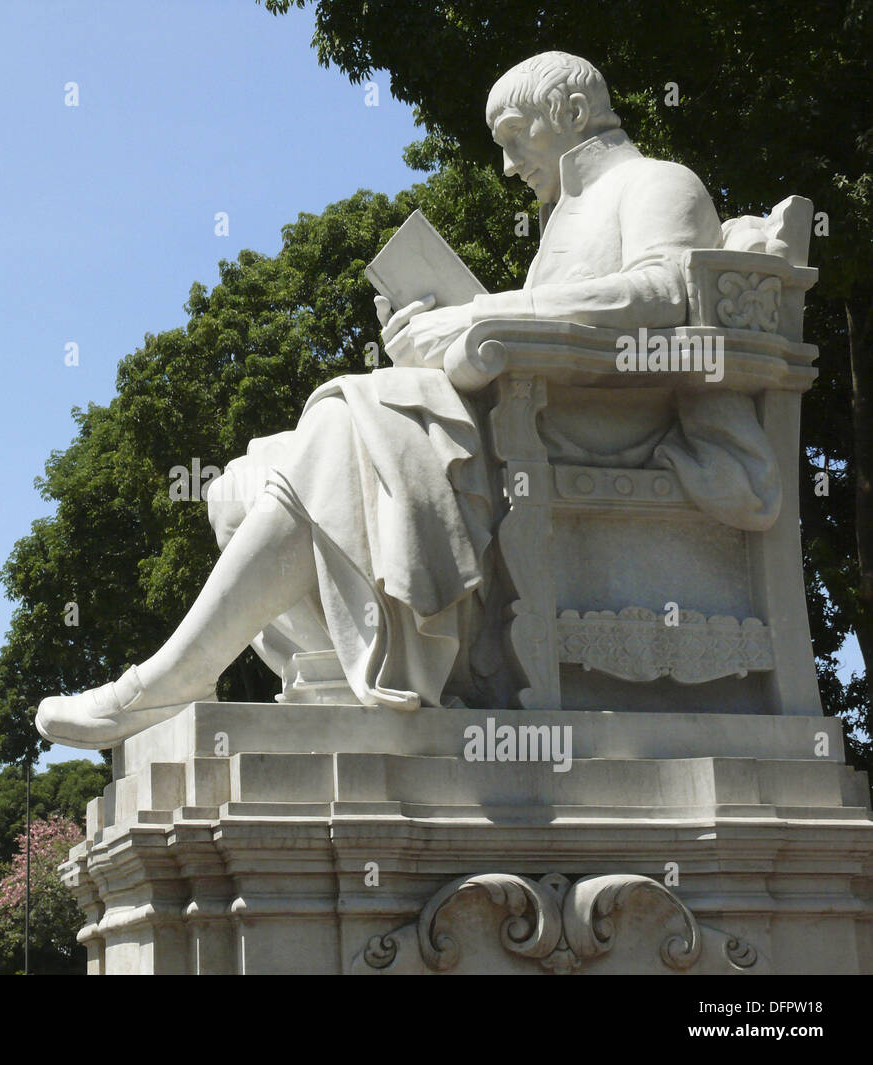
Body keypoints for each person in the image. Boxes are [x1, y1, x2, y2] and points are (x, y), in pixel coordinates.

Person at [37, 51, 733, 750]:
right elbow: (543, 325)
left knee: (346, 417)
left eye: (517, 137)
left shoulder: (659, 185)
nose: (508, 164)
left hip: (594, 427)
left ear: (574, 114)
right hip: (519, 416)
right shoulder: (566, 216)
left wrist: (477, 320)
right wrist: (450, 322)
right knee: (242, 483)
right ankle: (345, 675)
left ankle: (163, 682)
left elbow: (661, 294)